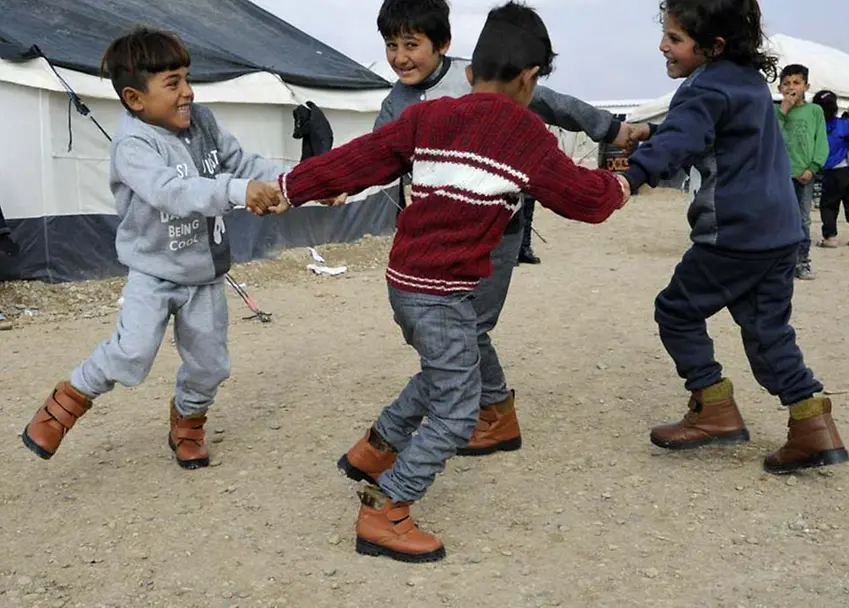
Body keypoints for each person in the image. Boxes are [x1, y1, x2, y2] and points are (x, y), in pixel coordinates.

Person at [264, 1, 629, 563]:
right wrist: (626, 183)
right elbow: (587, 201)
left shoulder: (423, 118)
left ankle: (375, 447)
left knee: (447, 368)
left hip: (406, 282)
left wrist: (288, 187)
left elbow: (355, 160)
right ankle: (386, 508)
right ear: (530, 80)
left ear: (467, 71)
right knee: (459, 409)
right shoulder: (526, 135)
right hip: (447, 290)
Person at [333, 0, 649, 464]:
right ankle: (486, 409)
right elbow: (375, 153)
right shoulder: (396, 104)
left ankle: (492, 413)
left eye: (411, 45)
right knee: (449, 331)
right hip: (432, 242)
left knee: (469, 328)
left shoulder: (482, 77)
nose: (400, 57)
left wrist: (613, 130)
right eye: (391, 45)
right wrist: (343, 182)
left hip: (495, 232)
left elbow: (553, 103)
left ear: (443, 46)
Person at [20, 27, 283, 469]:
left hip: (205, 274)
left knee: (211, 365)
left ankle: (187, 420)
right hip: (154, 271)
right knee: (132, 352)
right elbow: (172, 192)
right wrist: (239, 191)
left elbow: (244, 163)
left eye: (186, 78)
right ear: (135, 98)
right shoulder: (133, 145)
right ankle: (70, 396)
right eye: (173, 83)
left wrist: (302, 182)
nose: (188, 92)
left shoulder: (205, 122)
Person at [622, 0, 849, 475]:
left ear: (713, 45)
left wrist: (631, 176)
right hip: (781, 231)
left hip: (734, 233)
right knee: (768, 329)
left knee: (677, 310)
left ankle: (714, 409)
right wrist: (652, 130)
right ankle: (812, 425)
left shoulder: (701, 88)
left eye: (675, 38)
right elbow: (711, 129)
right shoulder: (746, 82)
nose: (663, 45)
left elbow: (687, 133)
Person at [777, 64, 828, 280]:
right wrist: (783, 111)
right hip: (780, 175)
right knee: (779, 219)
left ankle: (802, 261)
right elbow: (772, 138)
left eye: (796, 83)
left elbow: (821, 142)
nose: (791, 87)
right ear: (780, 88)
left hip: (804, 175)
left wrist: (813, 167)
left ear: (806, 86)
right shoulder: (775, 111)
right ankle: (781, 263)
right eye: (786, 84)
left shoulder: (815, 111)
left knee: (802, 220)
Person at [812, 89, 849, 248]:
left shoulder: (815, 127)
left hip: (831, 172)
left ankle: (830, 237)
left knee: (829, 205)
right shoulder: (844, 124)